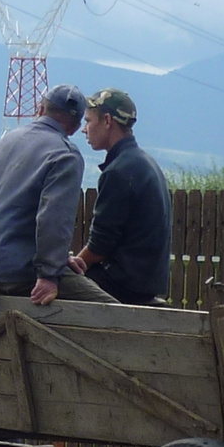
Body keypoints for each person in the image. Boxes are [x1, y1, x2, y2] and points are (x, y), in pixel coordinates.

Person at [0, 84, 116, 306]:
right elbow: (53, 220)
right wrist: (49, 275)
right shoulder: (64, 155)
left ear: (40, 109)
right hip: (19, 274)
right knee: (115, 313)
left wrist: (60, 260)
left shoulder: (5, 142)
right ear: (76, 127)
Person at [67, 88, 172, 305]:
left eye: (88, 121)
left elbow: (99, 247)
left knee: (51, 285)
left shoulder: (119, 171)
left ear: (107, 121)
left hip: (122, 284)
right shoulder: (145, 163)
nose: (84, 130)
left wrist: (73, 263)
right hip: (147, 282)